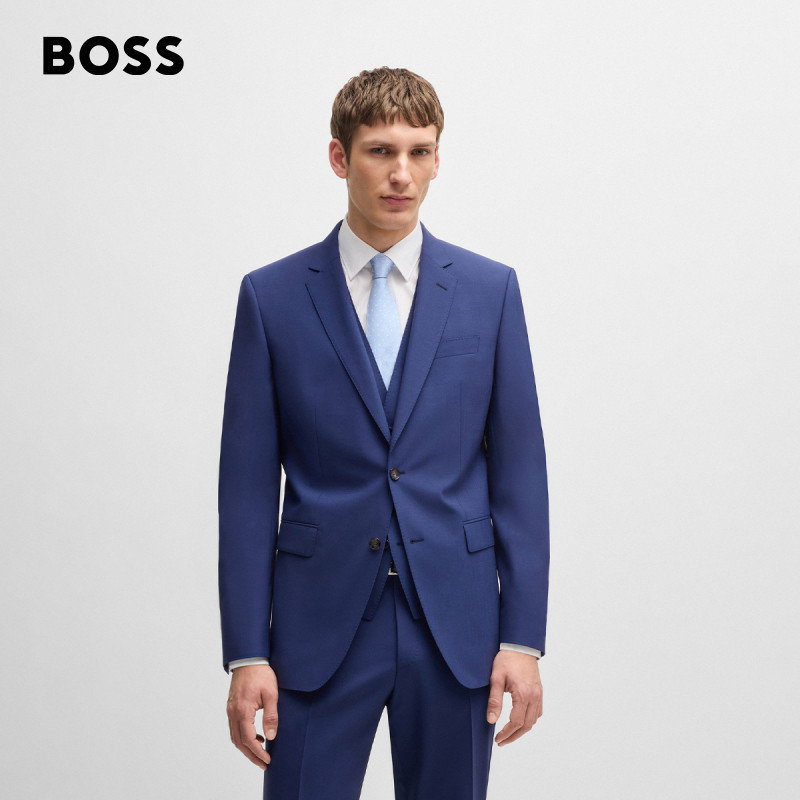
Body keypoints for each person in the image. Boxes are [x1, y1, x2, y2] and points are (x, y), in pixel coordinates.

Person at [218, 66, 549, 799]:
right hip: (316, 628)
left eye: (419, 152)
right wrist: (246, 653)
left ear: (436, 159)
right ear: (340, 157)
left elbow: (521, 476)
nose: (401, 174)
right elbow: (244, 492)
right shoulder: (272, 297)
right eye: (380, 151)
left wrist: (522, 638)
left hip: (455, 626)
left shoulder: (490, 292)